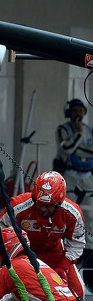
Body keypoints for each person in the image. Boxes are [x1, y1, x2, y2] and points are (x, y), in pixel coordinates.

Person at [0, 171, 87, 298]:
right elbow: (0, 233)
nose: (42, 208)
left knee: (78, 291)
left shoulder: (72, 213)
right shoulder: (18, 207)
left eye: (48, 205)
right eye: (39, 203)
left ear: (59, 203)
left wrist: (63, 267)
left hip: (54, 253)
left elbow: (76, 243)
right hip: (22, 253)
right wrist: (8, 257)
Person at [56, 98, 93, 247]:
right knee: (67, 211)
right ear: (69, 113)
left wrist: (78, 150)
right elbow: (67, 149)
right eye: (74, 111)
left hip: (87, 176)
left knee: (90, 213)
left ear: (84, 112)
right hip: (70, 176)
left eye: (80, 110)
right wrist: (78, 133)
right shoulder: (63, 129)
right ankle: (66, 245)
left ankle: (89, 248)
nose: (78, 113)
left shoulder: (90, 130)